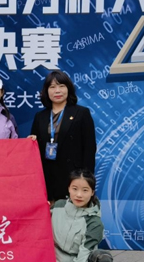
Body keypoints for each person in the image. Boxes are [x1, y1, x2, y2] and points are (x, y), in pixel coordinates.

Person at [30, 70, 96, 204]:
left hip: (73, 177)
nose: (57, 91)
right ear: (46, 91)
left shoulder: (81, 113)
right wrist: (30, 141)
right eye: (52, 87)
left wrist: (85, 179)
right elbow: (35, 149)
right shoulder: (40, 116)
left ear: (68, 89)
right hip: (47, 177)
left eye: (61, 86)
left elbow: (89, 148)